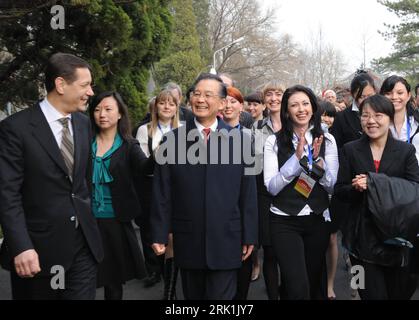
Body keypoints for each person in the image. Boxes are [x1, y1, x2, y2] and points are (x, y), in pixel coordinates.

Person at [0, 53, 103, 299]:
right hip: (37, 252)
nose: (91, 92)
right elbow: (7, 194)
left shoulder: (82, 124)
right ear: (60, 85)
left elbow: (82, 183)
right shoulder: (16, 128)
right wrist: (21, 246)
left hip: (82, 249)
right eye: (85, 85)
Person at [150, 73, 258, 300]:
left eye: (208, 95)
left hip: (227, 237)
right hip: (189, 238)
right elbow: (162, 192)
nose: (200, 99)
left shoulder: (242, 141)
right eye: (196, 94)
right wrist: (159, 233)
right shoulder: (172, 141)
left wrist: (249, 234)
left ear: (221, 102)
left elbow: (248, 193)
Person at [334, 94, 419, 300]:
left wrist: (373, 183)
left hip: (397, 240)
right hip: (359, 242)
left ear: (389, 118)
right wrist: (356, 188)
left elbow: (415, 188)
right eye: (365, 116)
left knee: (399, 294)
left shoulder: (406, 151)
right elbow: (339, 190)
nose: (371, 121)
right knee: (365, 292)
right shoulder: (350, 149)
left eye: (378, 115)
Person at [264, 85, 339, 300]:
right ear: (286, 111)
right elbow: (271, 186)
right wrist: (295, 161)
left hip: (317, 218)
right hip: (284, 220)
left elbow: (332, 186)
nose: (301, 109)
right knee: (298, 286)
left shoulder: (329, 140)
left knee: (313, 281)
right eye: (294, 105)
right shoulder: (273, 141)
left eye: (305, 104)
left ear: (313, 108)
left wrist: (319, 167)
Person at [89, 91, 149, 300]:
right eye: (97, 109)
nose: (102, 114)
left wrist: (164, 152)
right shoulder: (83, 142)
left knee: (113, 284)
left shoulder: (129, 145)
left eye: (108, 109)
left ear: (120, 113)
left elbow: (145, 168)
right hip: (85, 223)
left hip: (115, 222)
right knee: (82, 280)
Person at [136, 89, 182, 300]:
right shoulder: (145, 131)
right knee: (156, 238)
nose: (166, 107)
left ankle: (169, 291)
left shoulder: (184, 130)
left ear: (176, 108)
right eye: (162, 103)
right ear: (156, 106)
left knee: (172, 239)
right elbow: (143, 165)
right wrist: (160, 152)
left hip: (177, 191)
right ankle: (155, 271)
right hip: (152, 188)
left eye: (171, 104)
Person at [251, 80, 284, 300]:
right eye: (269, 95)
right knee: (270, 252)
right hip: (265, 193)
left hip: (294, 194)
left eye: (278, 94)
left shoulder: (296, 123)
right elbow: (253, 162)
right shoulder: (257, 127)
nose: (273, 98)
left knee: (289, 253)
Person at [318, 100, 338, 300]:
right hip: (313, 195)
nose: (326, 118)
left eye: (330, 115)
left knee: (332, 239)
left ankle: (330, 283)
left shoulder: (333, 138)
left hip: (333, 194)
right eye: (323, 114)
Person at [330, 71, 376, 148]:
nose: (367, 100)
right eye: (362, 97)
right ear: (353, 95)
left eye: (370, 96)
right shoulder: (341, 118)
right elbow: (337, 148)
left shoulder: (382, 113)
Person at [380, 75, 419, 162]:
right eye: (388, 93)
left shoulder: (416, 123)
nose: (394, 97)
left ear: (408, 96)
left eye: (400, 93)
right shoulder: (375, 125)